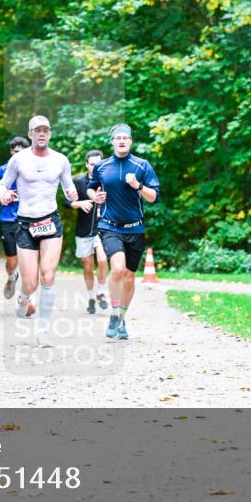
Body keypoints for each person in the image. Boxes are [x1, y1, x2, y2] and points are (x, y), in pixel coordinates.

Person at [0, 115, 77, 341]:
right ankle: (23, 298)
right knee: (30, 283)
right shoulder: (18, 160)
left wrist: (72, 194)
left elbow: (69, 188)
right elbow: (4, 183)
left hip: (50, 221)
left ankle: (43, 331)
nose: (42, 133)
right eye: (37, 130)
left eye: (46, 130)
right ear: (30, 134)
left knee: (48, 275)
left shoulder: (61, 160)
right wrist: (3, 193)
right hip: (24, 223)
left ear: (50, 133)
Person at [87, 124, 160, 340]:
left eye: (125, 138)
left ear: (130, 141)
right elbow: (91, 187)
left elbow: (154, 197)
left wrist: (138, 185)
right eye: (117, 138)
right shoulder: (102, 166)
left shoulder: (142, 165)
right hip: (110, 227)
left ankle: (122, 318)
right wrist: (94, 196)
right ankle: (113, 314)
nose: (121, 141)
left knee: (129, 278)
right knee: (117, 269)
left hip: (135, 228)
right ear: (112, 142)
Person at [64, 149, 109, 314]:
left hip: (103, 229)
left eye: (98, 164)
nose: (95, 167)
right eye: (92, 164)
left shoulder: (108, 181)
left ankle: (102, 292)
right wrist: (80, 203)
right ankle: (91, 297)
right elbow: (66, 202)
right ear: (86, 165)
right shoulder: (79, 182)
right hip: (83, 231)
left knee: (103, 259)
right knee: (88, 266)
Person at [0, 136, 29, 298]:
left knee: (29, 259)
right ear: (11, 152)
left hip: (29, 219)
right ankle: (11, 276)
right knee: (12, 261)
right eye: (16, 152)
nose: (18, 155)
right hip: (8, 220)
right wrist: (2, 193)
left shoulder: (33, 171)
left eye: (22, 152)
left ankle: (26, 295)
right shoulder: (1, 171)